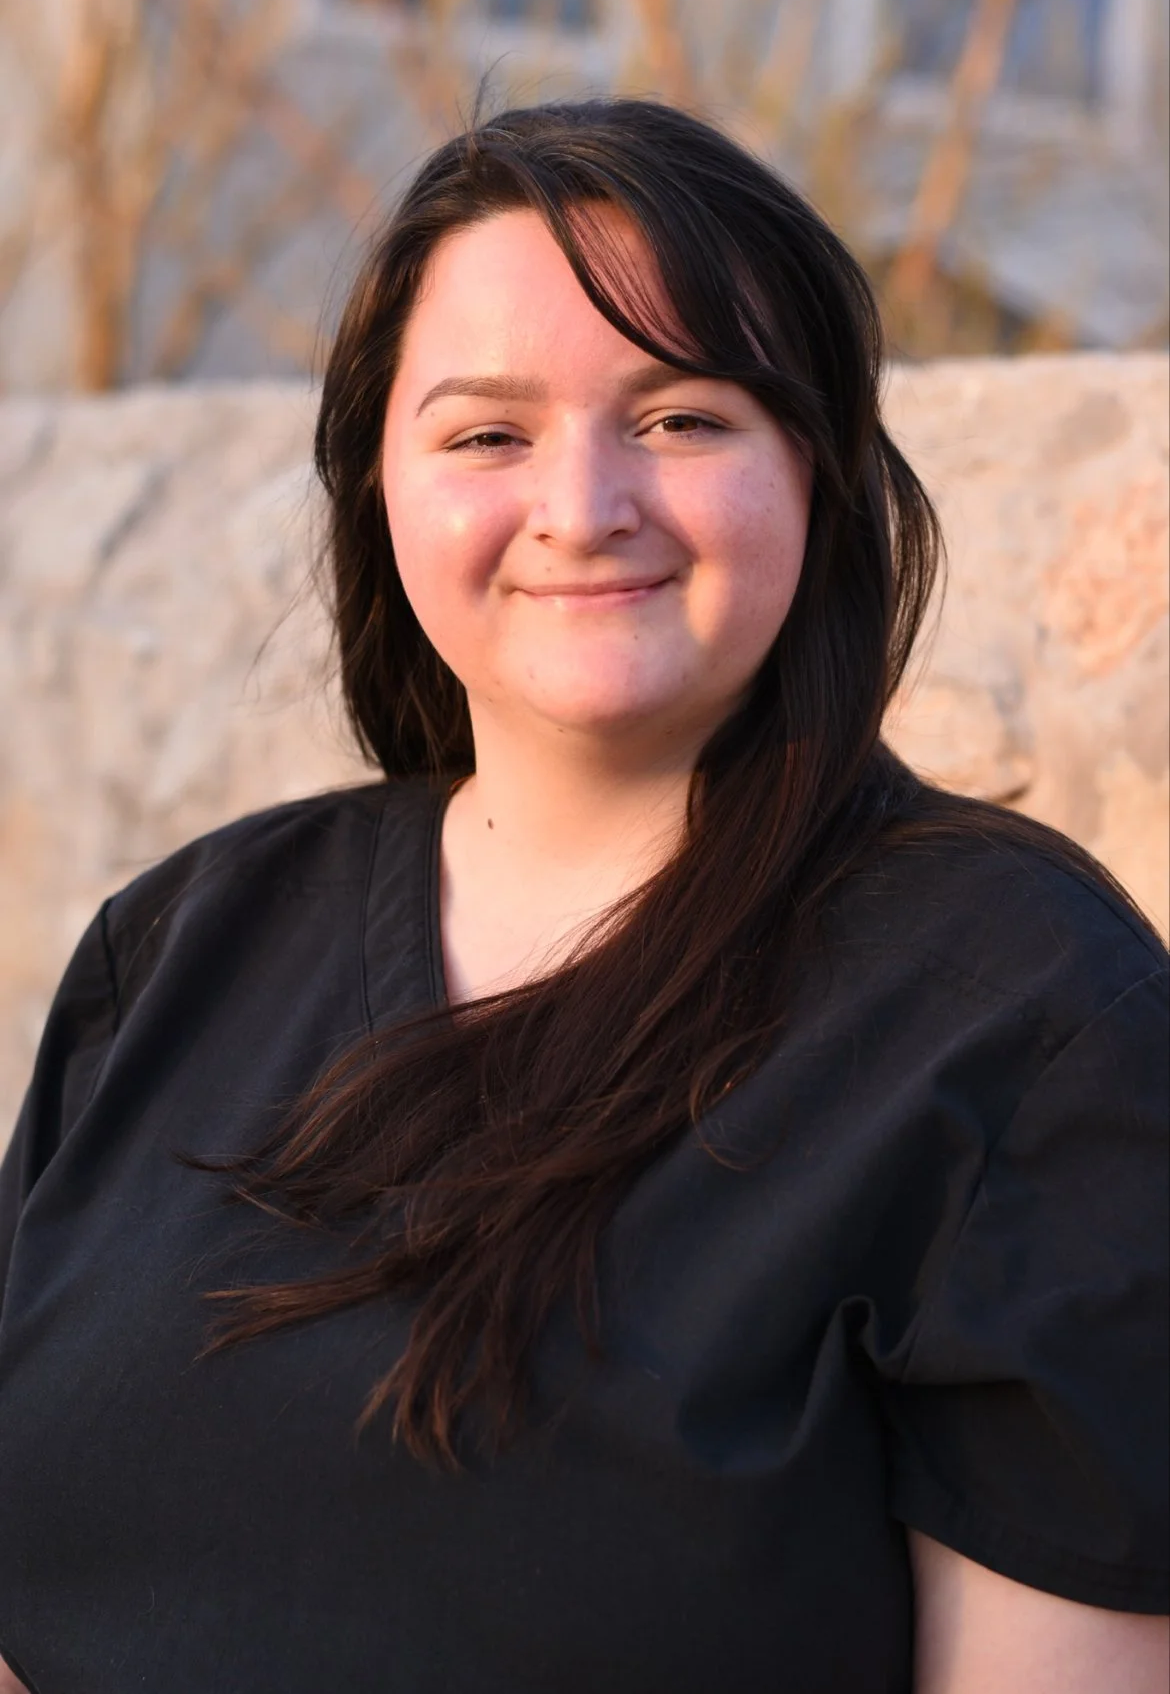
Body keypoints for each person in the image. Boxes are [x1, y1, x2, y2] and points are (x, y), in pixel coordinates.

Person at [0, 98, 1166, 1694]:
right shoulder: (181, 945)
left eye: (682, 418)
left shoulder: (1021, 1017)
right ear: (380, 489)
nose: (581, 505)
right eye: (487, 433)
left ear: (815, 472)